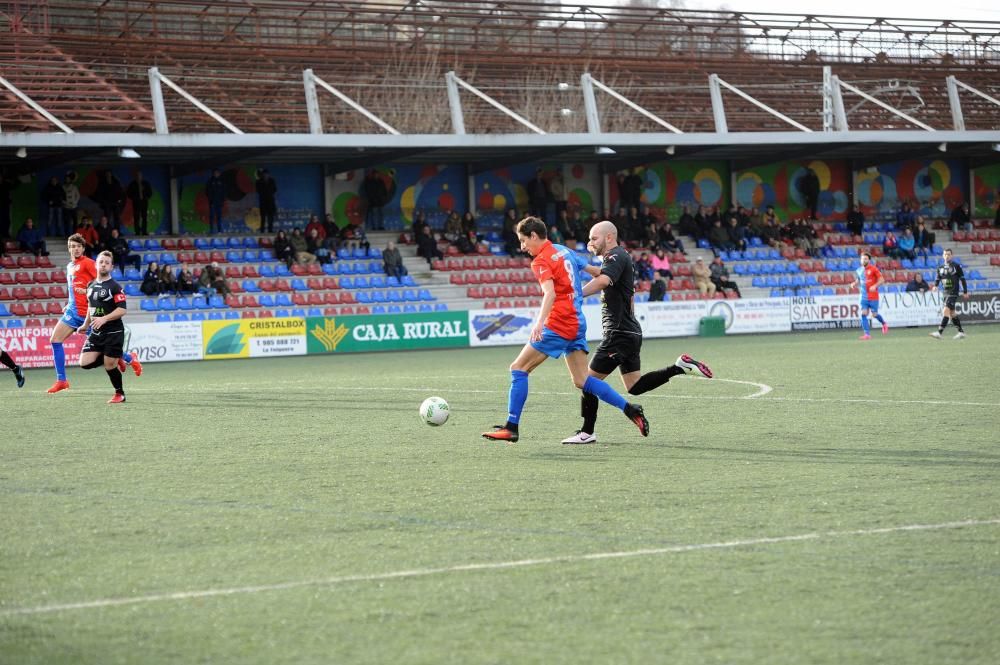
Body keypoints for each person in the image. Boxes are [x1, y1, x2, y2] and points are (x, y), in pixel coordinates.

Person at [481, 217, 649, 443]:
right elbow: (596, 271)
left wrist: (540, 322)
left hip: (559, 323)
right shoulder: (562, 250)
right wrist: (623, 282)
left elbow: (549, 294)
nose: (522, 247)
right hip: (577, 322)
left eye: (523, 241)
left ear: (533, 236)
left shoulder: (540, 261)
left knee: (518, 368)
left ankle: (511, 427)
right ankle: (630, 409)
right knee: (582, 380)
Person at [561, 221, 712, 444]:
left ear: (609, 237)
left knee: (587, 382)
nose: (589, 242)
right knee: (634, 386)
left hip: (619, 334)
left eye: (594, 238)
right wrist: (582, 266)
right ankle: (679, 367)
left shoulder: (616, 256)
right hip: (630, 333)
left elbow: (602, 280)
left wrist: (576, 296)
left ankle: (587, 432)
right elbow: (605, 277)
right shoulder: (618, 258)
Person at [46, 235, 141, 391]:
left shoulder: (90, 263)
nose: (75, 249)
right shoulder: (70, 266)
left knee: (103, 348)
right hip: (72, 311)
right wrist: (69, 303)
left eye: (78, 246)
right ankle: (62, 380)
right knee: (55, 340)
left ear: (83, 248)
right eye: (72, 246)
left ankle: (129, 358)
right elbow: (73, 288)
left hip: (89, 314)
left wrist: (86, 293)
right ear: (69, 248)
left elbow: (100, 284)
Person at [76, 251, 131, 403]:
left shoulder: (115, 287)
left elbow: (122, 310)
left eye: (107, 262)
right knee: (84, 363)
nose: (103, 265)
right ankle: (115, 357)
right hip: (96, 332)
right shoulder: (91, 285)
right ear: (96, 264)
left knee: (109, 365)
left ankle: (120, 394)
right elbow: (90, 307)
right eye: (101, 262)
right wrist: (85, 324)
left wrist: (104, 319)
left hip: (113, 332)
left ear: (111, 266)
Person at [929, 248, 969, 340]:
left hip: (953, 292)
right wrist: (935, 286)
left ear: (952, 255)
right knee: (952, 313)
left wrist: (965, 291)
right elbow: (938, 278)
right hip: (945, 293)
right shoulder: (940, 268)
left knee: (945, 311)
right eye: (945, 254)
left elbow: (962, 279)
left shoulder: (956, 266)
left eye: (948, 254)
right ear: (943, 256)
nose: (947, 256)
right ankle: (961, 332)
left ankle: (939, 332)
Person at [849, 252, 888, 341]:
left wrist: (875, 286)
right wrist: (854, 284)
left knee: (874, 314)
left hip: (873, 296)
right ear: (860, 260)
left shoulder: (874, 269)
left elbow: (882, 280)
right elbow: (859, 279)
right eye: (862, 259)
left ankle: (884, 323)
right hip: (863, 296)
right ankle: (867, 334)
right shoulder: (859, 270)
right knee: (863, 314)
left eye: (866, 259)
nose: (864, 260)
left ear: (869, 260)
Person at [126, 170, 153, 235]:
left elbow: (150, 193)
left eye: (139, 175)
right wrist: (134, 198)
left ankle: (144, 231)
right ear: (135, 177)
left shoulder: (145, 183)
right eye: (137, 176)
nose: (138, 177)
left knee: (144, 217)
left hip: (144, 202)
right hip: (136, 202)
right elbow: (128, 194)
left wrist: (145, 196)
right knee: (136, 217)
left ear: (141, 176)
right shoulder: (132, 184)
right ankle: (137, 231)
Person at [256, 169, 278, 233]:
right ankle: (262, 230)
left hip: (270, 201)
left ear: (269, 175)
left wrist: (269, 193)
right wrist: (265, 192)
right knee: (263, 216)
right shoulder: (258, 181)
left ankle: (270, 230)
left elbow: (275, 189)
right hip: (263, 201)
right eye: (264, 174)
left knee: (270, 216)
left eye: (267, 174)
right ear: (262, 175)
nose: (265, 175)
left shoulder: (272, 181)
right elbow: (258, 190)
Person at [205, 168, 225, 233]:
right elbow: (207, 191)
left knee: (219, 217)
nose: (216, 174)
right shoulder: (210, 181)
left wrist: (222, 201)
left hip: (219, 202)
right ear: (213, 174)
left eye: (217, 173)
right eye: (215, 173)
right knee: (212, 217)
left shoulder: (222, 181)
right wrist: (211, 200)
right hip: (212, 202)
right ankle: (211, 230)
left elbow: (224, 192)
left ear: (219, 173)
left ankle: (219, 231)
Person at [62, 171, 80, 236]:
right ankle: (67, 235)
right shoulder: (63, 187)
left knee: (75, 221)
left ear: (70, 179)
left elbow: (77, 196)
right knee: (67, 222)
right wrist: (64, 202)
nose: (67, 180)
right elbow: (60, 197)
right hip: (66, 207)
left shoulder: (74, 187)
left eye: (68, 179)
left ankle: (75, 234)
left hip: (74, 207)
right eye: (66, 179)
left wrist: (75, 202)